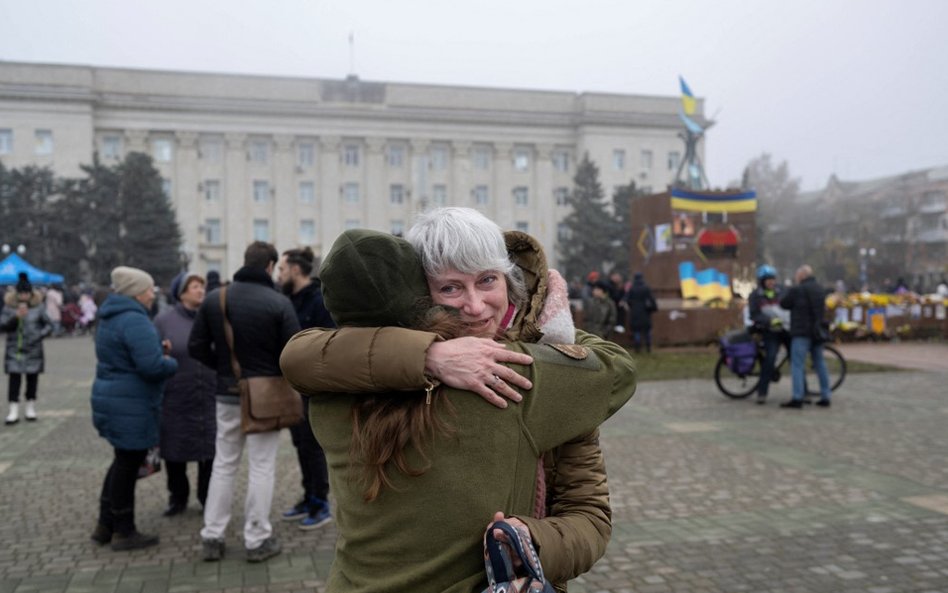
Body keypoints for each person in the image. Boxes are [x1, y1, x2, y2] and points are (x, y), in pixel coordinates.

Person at [281, 217, 636, 591]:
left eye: (487, 280)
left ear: (508, 279)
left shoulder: (334, 384)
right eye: (450, 287)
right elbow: (620, 369)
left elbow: (297, 357)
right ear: (419, 293)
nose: (474, 305)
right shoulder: (525, 376)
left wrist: (535, 542)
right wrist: (551, 329)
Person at [188, 242, 301, 563]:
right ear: (269, 266)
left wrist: (225, 371)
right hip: (266, 396)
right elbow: (293, 352)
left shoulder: (215, 299)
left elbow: (197, 346)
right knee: (262, 466)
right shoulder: (278, 302)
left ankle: (212, 536)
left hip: (226, 393)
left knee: (223, 464)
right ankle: (256, 538)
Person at [90, 266, 178, 550]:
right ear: (138, 293)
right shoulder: (135, 320)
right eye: (150, 289)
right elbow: (151, 367)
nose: (153, 294)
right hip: (131, 403)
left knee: (121, 462)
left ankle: (106, 524)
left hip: (114, 398)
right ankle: (124, 531)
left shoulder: (111, 317)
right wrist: (169, 361)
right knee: (127, 465)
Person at [275, 246, 335, 530]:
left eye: (282, 269)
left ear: (296, 270)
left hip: (315, 388)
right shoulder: (286, 300)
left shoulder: (318, 300)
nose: (279, 274)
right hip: (292, 388)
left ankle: (320, 503)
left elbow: (329, 343)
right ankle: (308, 495)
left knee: (313, 447)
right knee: (300, 444)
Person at [153, 274, 217, 516]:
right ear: (181, 293)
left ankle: (206, 496)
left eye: (202, 286)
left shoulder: (212, 316)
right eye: (194, 286)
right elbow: (154, 351)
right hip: (176, 395)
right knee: (175, 449)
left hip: (208, 393)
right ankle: (177, 497)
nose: (200, 290)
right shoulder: (164, 320)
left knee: (208, 450)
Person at [2, 273, 53, 424]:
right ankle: (13, 410)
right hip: (14, 349)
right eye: (21, 293)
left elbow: (50, 325)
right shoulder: (9, 307)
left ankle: (30, 408)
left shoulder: (39, 307)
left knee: (32, 379)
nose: (24, 296)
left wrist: (39, 335)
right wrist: (16, 317)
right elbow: (3, 325)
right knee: (14, 379)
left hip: (33, 349)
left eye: (26, 293)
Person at [778, 264, 831, 409]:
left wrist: (786, 291)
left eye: (797, 275)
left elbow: (784, 303)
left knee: (797, 364)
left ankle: (798, 397)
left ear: (801, 275)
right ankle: (826, 396)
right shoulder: (819, 289)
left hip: (801, 332)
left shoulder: (797, 289)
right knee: (820, 363)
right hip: (817, 332)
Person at [747, 264, 790, 405]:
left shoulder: (782, 291)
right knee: (770, 359)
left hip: (785, 329)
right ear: (762, 281)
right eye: (768, 280)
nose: (771, 282)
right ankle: (762, 392)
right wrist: (769, 321)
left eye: (773, 279)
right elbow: (754, 314)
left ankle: (804, 391)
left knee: (795, 358)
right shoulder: (755, 295)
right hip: (770, 331)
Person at [625, 272, 657, 353]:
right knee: (647, 331)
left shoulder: (632, 288)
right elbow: (651, 299)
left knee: (637, 331)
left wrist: (632, 305)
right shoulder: (646, 288)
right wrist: (654, 308)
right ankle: (648, 347)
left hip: (635, 312)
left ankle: (637, 348)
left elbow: (628, 299)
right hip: (645, 312)